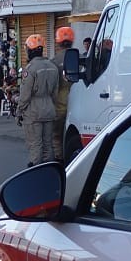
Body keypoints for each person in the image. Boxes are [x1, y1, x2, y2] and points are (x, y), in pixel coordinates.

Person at [17, 34, 61, 167]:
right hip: (49, 110)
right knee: (48, 145)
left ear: (29, 50)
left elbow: (25, 95)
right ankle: (49, 172)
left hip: (33, 112)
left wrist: (19, 111)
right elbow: (55, 92)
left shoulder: (30, 69)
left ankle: (36, 175)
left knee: (35, 145)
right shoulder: (52, 67)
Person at [51, 26, 75, 162]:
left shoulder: (54, 62)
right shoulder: (81, 57)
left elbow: (53, 87)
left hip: (60, 105)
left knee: (57, 136)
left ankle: (59, 162)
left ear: (58, 42)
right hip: (79, 103)